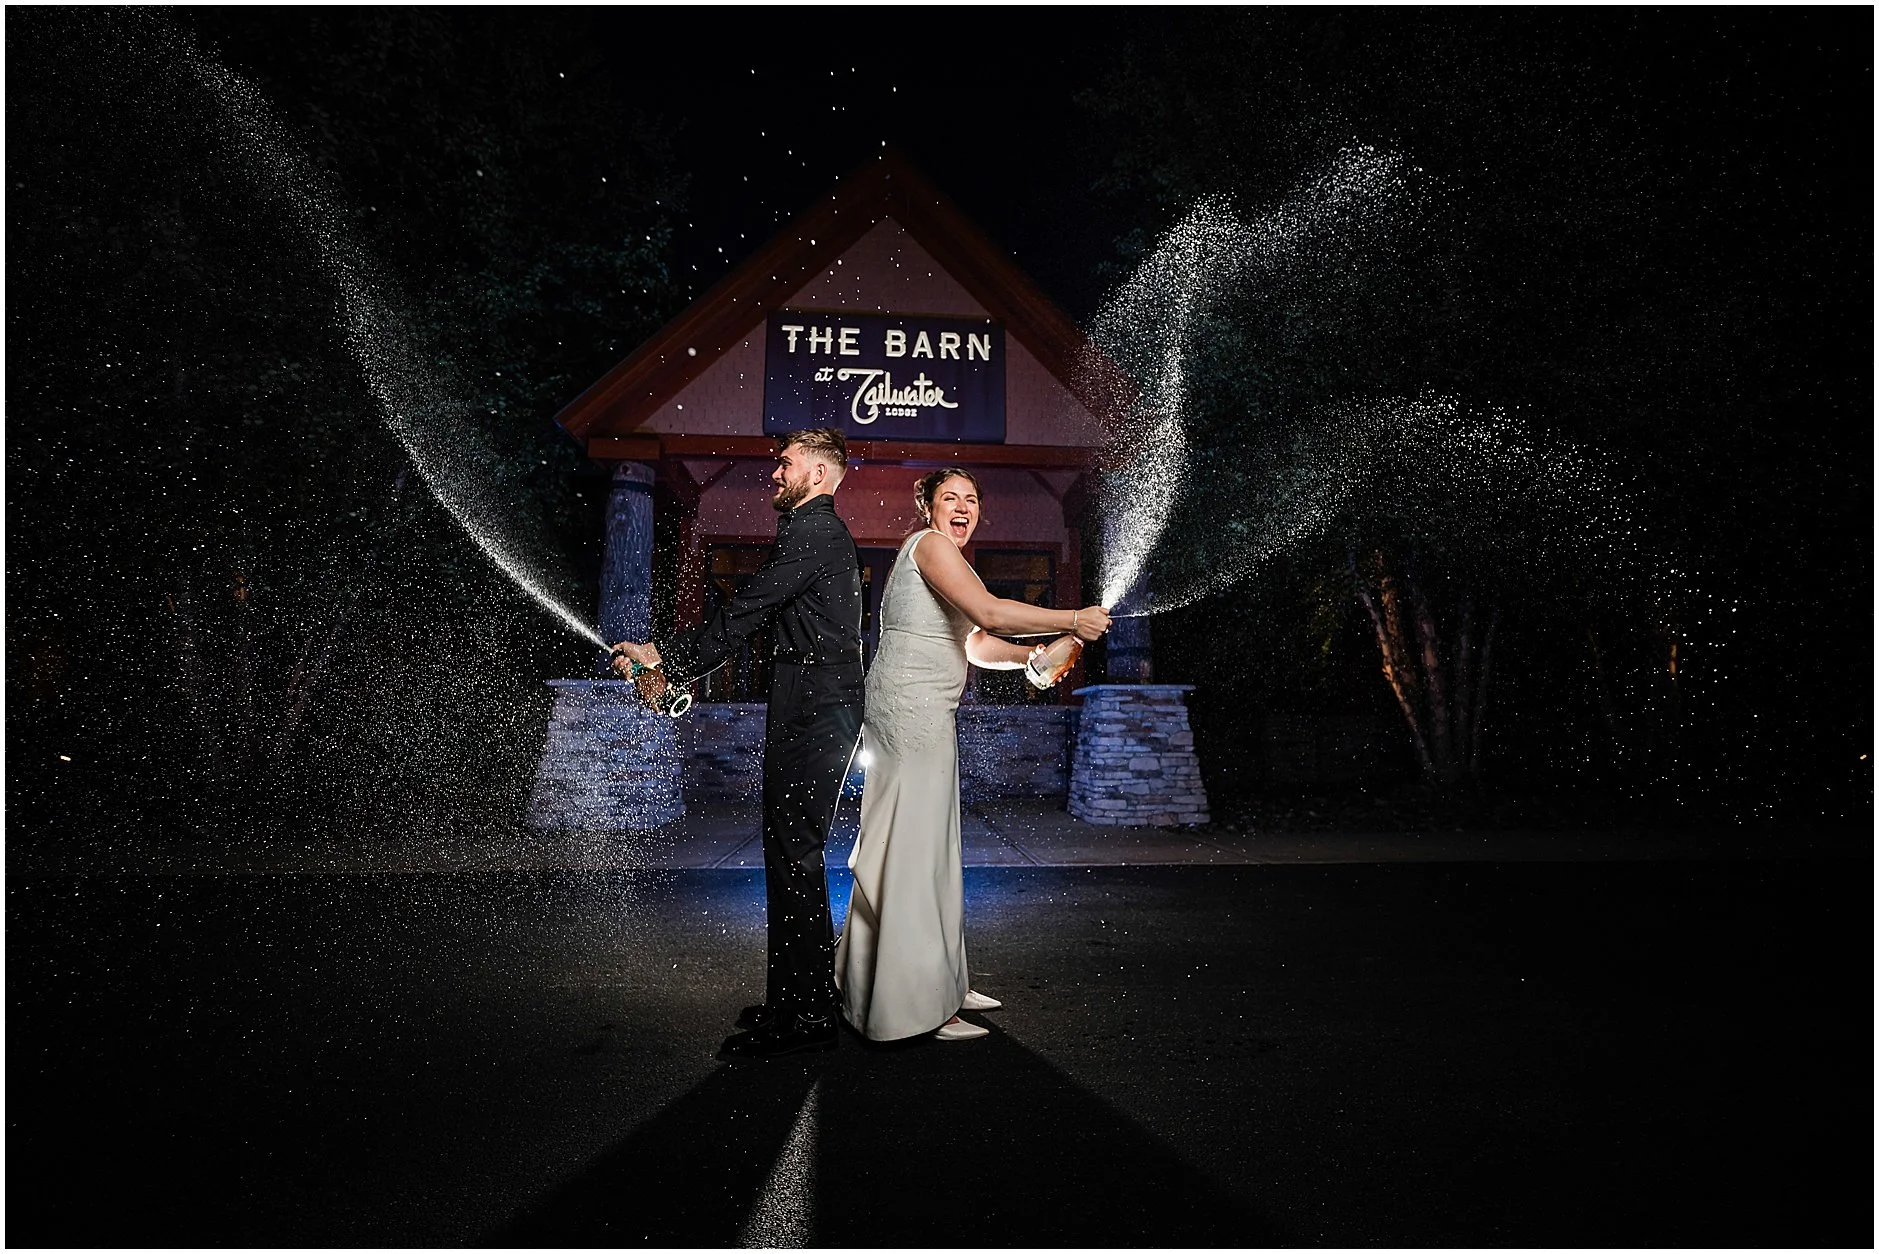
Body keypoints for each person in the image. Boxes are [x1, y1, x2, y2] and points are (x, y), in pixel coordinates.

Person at [610, 428, 864, 1060]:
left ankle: (805, 1015)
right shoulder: (813, 534)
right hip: (812, 714)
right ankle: (799, 999)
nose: (773, 474)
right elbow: (753, 619)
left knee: (793, 856)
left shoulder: (814, 532)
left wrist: (662, 656)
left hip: (815, 717)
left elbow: (745, 611)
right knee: (789, 854)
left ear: (821, 474)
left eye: (785, 464)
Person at [834, 468, 1110, 1043]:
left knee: (931, 848)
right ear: (927, 507)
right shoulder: (931, 546)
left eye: (972, 499)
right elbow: (988, 613)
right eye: (950, 498)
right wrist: (1071, 618)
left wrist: (1034, 658)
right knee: (914, 850)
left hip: (923, 710)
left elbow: (977, 643)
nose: (963, 507)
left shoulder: (951, 561)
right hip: (909, 713)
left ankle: (942, 984)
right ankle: (914, 1007)